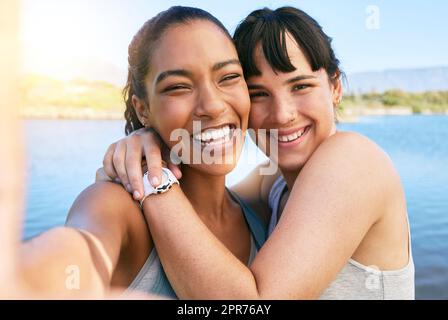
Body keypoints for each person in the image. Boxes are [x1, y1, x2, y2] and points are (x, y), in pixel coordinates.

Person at [101, 6, 414, 299]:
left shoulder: (353, 160)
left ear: (335, 87)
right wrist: (146, 144)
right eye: (259, 94)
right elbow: (211, 203)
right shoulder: (273, 184)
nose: (282, 114)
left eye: (301, 86)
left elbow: (256, 301)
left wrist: (154, 180)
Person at [15, 6, 266, 299]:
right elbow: (81, 251)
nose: (212, 105)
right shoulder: (114, 204)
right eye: (178, 87)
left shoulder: (261, 208)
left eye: (228, 77)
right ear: (142, 109)